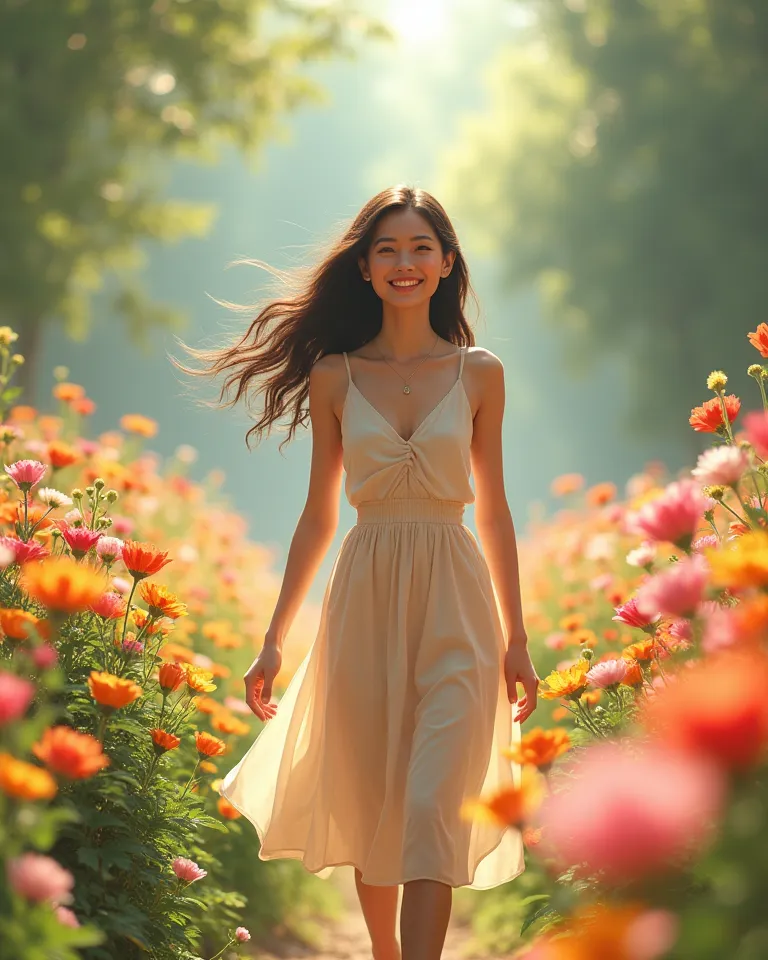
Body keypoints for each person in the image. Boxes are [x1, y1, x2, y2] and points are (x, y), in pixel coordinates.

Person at [182, 185, 539, 960]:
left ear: (446, 263)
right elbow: (317, 516)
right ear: (367, 270)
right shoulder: (336, 377)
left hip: (458, 596)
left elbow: (496, 511)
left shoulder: (481, 373)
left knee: (431, 808)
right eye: (387, 250)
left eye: (420, 248)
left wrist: (518, 637)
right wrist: (275, 638)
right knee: (380, 802)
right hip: (365, 595)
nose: (404, 263)